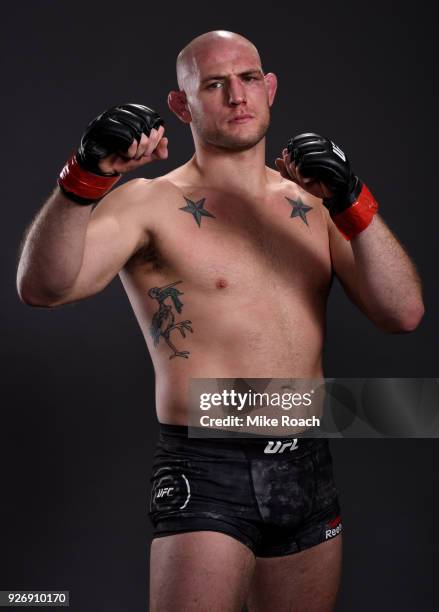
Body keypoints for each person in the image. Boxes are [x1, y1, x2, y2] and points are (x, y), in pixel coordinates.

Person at [16, 30, 424, 612]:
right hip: (207, 466)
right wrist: (84, 177)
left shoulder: (315, 203)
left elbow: (403, 313)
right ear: (182, 105)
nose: (237, 96)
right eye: (214, 84)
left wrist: (353, 197)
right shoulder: (147, 203)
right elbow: (43, 288)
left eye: (249, 78)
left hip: (307, 461)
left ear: (270, 88)